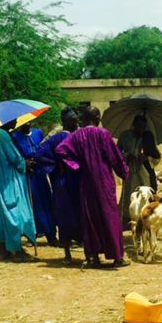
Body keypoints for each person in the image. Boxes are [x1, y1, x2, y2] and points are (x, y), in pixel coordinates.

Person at [55, 106, 130, 268]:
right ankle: (117, 257)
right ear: (97, 117)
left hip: (86, 182)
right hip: (104, 182)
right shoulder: (103, 134)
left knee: (90, 218)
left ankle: (93, 257)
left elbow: (60, 150)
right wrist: (124, 172)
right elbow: (115, 157)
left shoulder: (76, 135)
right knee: (110, 216)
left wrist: (76, 166)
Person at [36, 108, 81, 263]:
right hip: (75, 182)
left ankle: (68, 255)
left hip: (61, 183)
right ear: (68, 122)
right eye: (74, 120)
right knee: (77, 214)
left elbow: (39, 155)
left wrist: (54, 166)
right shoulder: (76, 138)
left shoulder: (54, 139)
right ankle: (86, 254)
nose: (77, 123)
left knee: (64, 216)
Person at [0, 120, 37, 261]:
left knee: (3, 213)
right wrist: (25, 163)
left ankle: (3, 248)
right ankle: (17, 250)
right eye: (14, 119)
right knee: (14, 213)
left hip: (1, 179)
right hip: (9, 180)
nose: (16, 121)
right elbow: (14, 158)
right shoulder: (2, 135)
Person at [11, 122, 57, 246]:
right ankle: (33, 234)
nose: (27, 124)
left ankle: (51, 234)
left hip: (40, 173)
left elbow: (43, 149)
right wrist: (25, 162)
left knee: (46, 201)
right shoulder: (15, 137)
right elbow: (15, 155)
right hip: (28, 175)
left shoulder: (38, 133)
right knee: (32, 203)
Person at [117, 115, 161, 224]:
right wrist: (127, 155)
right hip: (129, 172)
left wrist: (146, 158)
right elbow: (117, 153)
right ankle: (127, 217)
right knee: (129, 194)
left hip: (144, 173)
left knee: (144, 195)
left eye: (143, 127)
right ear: (134, 125)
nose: (141, 129)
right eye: (139, 126)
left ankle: (144, 217)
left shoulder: (148, 137)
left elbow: (157, 157)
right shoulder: (125, 136)